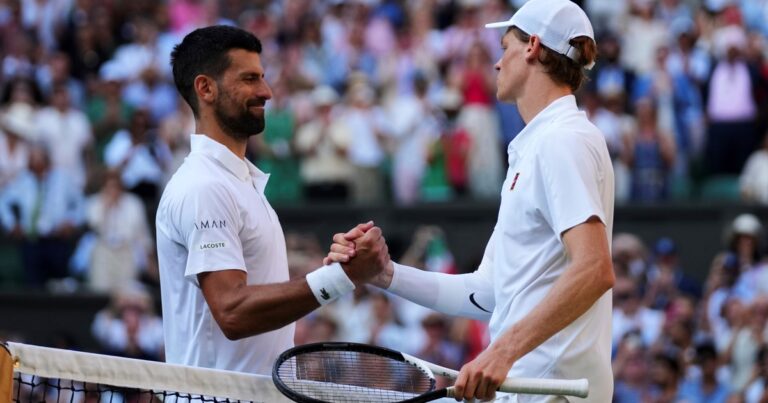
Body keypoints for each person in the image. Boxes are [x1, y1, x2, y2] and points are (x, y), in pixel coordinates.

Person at [325, 1, 615, 401]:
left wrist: (503, 350)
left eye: (504, 48)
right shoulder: (538, 146)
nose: (497, 63)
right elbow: (487, 293)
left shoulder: (561, 140)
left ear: (531, 46)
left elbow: (595, 269)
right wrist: (386, 274)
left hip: (551, 392)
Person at [156, 25, 388, 375]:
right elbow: (232, 312)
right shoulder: (204, 187)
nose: (265, 91)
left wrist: (336, 266)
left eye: (263, 77)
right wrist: (340, 278)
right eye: (249, 79)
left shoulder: (238, 183)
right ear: (205, 88)